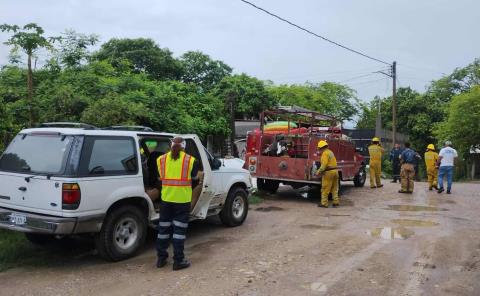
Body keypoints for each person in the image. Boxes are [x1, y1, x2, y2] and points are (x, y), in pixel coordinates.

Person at [156, 136, 199, 270]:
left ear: (170, 145)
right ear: (184, 147)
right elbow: (194, 180)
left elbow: (160, 179)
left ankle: (161, 259)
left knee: (163, 230)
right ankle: (178, 261)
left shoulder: (160, 160)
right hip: (182, 201)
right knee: (179, 231)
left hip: (166, 200)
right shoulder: (191, 160)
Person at [315, 140, 339, 208]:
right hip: (335, 171)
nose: (319, 150)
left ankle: (324, 203)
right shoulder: (330, 152)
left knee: (325, 188)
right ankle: (335, 202)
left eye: (319, 148)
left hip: (329, 172)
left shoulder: (325, 153)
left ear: (321, 148)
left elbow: (324, 165)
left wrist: (318, 172)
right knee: (334, 188)